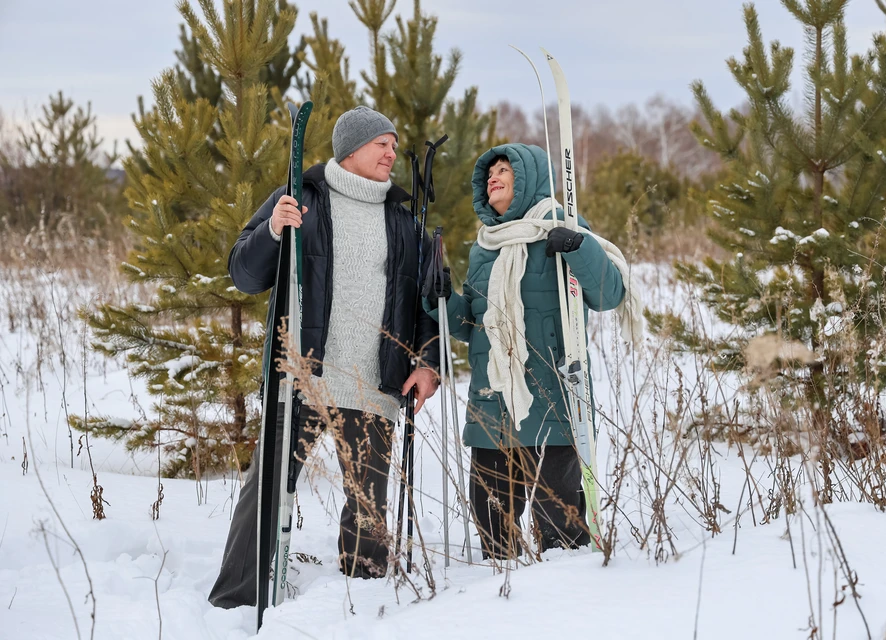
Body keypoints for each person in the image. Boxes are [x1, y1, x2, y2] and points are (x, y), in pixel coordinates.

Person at [209, 106, 440, 609]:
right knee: (267, 489)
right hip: (303, 376)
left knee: (369, 506)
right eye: (382, 143)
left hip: (376, 380)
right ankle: (237, 597)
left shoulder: (403, 223)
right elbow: (244, 276)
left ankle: (364, 601)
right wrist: (272, 229)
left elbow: (427, 303)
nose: (391, 152)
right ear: (351, 149)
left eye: (395, 145)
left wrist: (427, 363)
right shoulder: (301, 198)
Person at [423, 143, 640, 560]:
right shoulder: (484, 246)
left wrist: (580, 248)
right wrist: (442, 300)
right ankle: (501, 597)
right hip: (493, 399)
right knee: (492, 517)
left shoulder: (563, 228)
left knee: (559, 522)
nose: (494, 177)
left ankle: (562, 604)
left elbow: (609, 294)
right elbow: (475, 325)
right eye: (489, 172)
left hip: (552, 395)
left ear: (529, 179)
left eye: (505, 169)